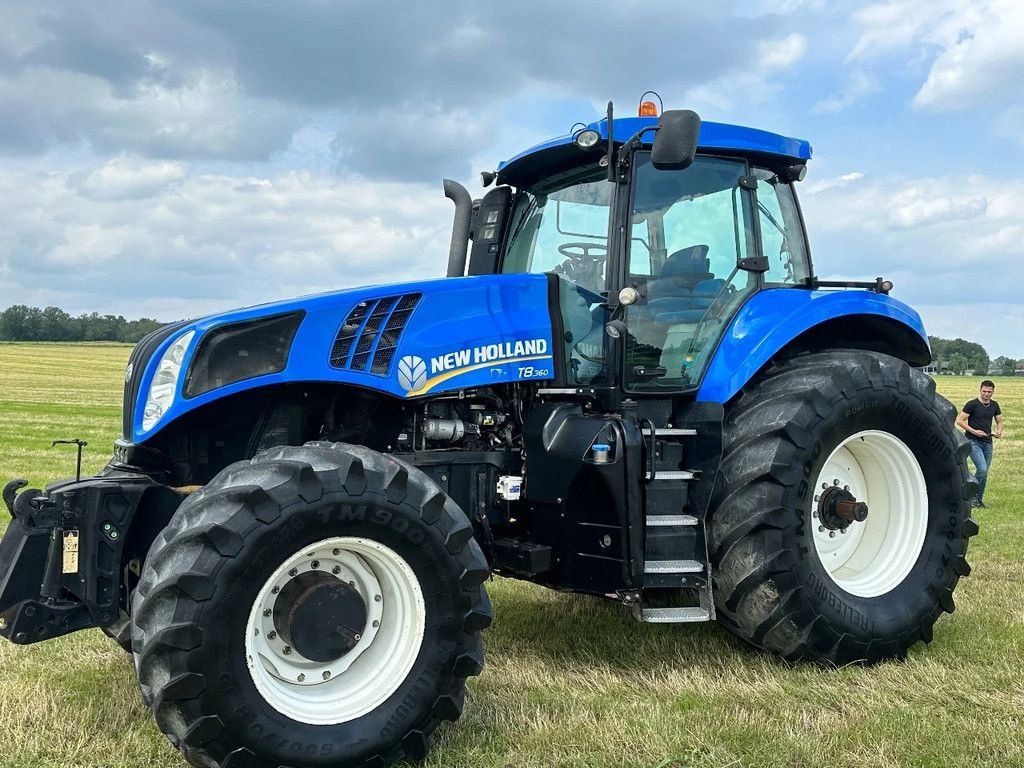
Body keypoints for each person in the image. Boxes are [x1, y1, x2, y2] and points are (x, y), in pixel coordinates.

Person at [956, 380, 1003, 508]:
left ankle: (978, 501)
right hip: (973, 440)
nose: (986, 394)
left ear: (993, 391)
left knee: (984, 472)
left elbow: (999, 421)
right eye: (984, 391)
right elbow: (960, 421)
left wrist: (999, 431)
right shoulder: (972, 404)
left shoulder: (994, 405)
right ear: (980, 390)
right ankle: (971, 497)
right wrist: (974, 432)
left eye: (989, 392)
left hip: (988, 442)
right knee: (981, 469)